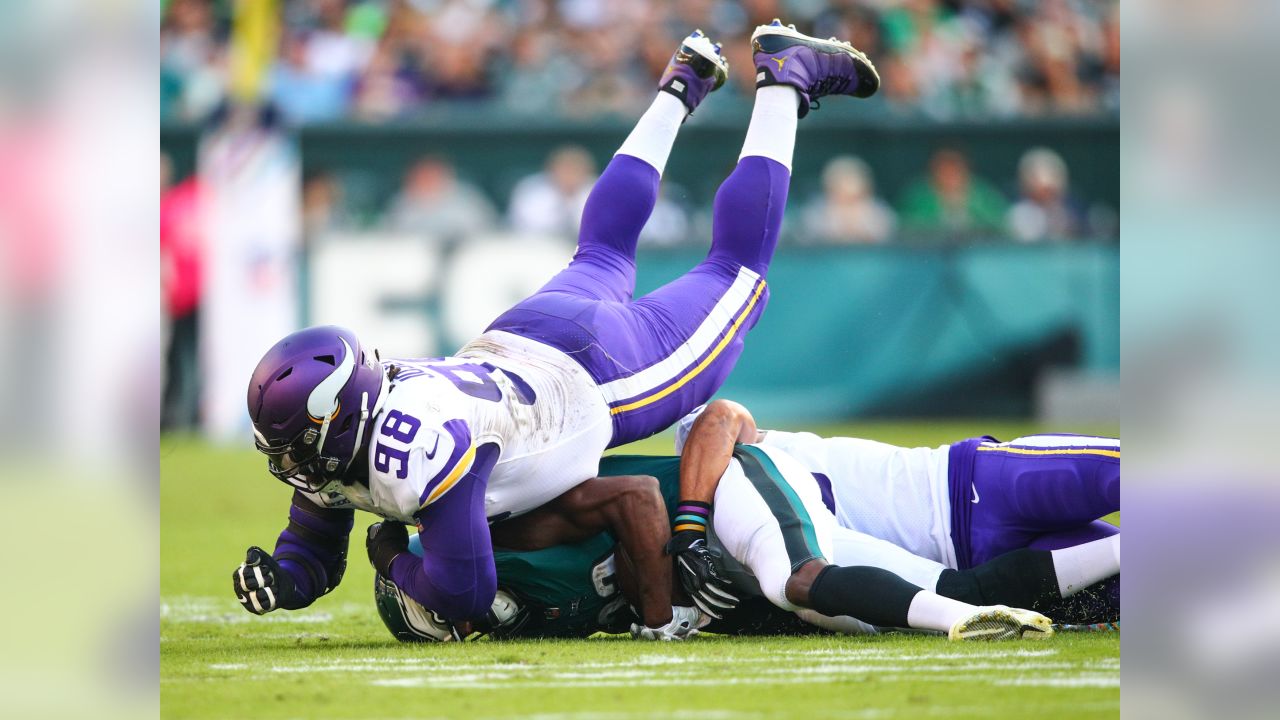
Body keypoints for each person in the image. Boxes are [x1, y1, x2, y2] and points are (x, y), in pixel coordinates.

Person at [233, 23, 884, 636]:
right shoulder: (351, 424)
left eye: (295, 446)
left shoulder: (413, 454)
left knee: (737, 270)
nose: (291, 465)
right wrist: (282, 579)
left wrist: (391, 559)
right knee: (602, 250)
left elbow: (463, 591)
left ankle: (783, 82)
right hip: (521, 337)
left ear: (340, 420)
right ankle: (680, 88)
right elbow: (312, 552)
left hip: (597, 376)